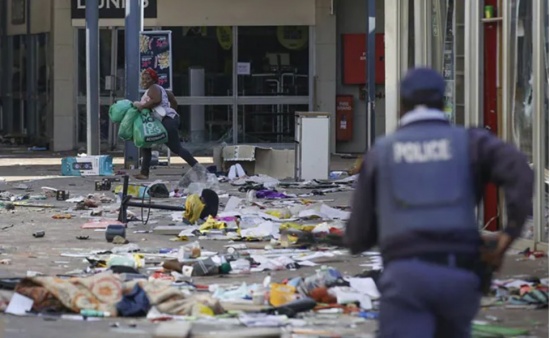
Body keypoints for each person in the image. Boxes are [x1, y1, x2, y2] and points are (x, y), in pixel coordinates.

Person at [345, 67, 534, 338]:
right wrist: (508, 236)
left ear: (401, 106)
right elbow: (520, 171)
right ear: (443, 100)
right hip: (459, 276)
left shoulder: (382, 152)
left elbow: (358, 235)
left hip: (405, 277)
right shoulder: (470, 142)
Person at [132, 68, 206, 180]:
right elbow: (174, 101)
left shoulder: (154, 88)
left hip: (166, 121)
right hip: (168, 120)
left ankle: (200, 170)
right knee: (146, 145)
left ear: (153, 80)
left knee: (176, 148)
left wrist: (142, 106)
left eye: (148, 78)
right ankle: (144, 172)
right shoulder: (162, 90)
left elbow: (156, 100)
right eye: (143, 78)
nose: (145, 81)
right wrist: (173, 112)